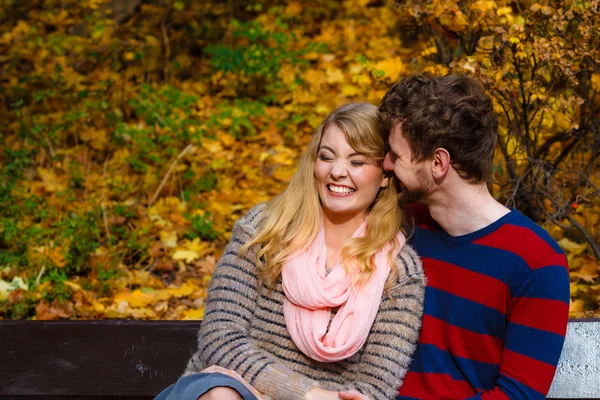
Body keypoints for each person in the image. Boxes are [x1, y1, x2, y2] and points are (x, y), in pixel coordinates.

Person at [155, 103, 426, 400]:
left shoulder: (398, 272)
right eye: (326, 157)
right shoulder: (264, 231)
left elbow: (374, 388)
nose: (337, 172)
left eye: (357, 162)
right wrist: (306, 393)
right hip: (226, 389)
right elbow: (221, 339)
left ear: (385, 176)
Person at [378, 74, 570, 399]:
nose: (385, 164)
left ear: (438, 162)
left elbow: (518, 395)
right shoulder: (401, 228)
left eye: (396, 156)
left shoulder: (536, 263)